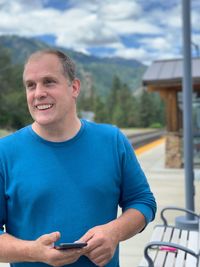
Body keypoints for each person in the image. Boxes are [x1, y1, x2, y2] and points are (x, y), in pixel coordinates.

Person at [0, 49, 156, 267]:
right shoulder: (4, 152)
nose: (38, 93)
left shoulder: (112, 140)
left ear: (74, 88)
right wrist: (33, 252)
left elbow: (143, 202)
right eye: (31, 85)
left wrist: (114, 232)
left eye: (49, 82)